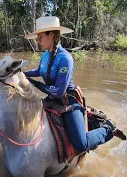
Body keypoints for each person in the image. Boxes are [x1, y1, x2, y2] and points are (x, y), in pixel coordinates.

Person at [23, 16, 121, 152]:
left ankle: (108, 129)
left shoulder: (65, 58)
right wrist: (22, 73)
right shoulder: (45, 55)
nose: (38, 42)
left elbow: (59, 91)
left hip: (68, 100)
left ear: (50, 35)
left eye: (39, 37)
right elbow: (39, 71)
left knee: (81, 144)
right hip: (51, 98)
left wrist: (33, 83)